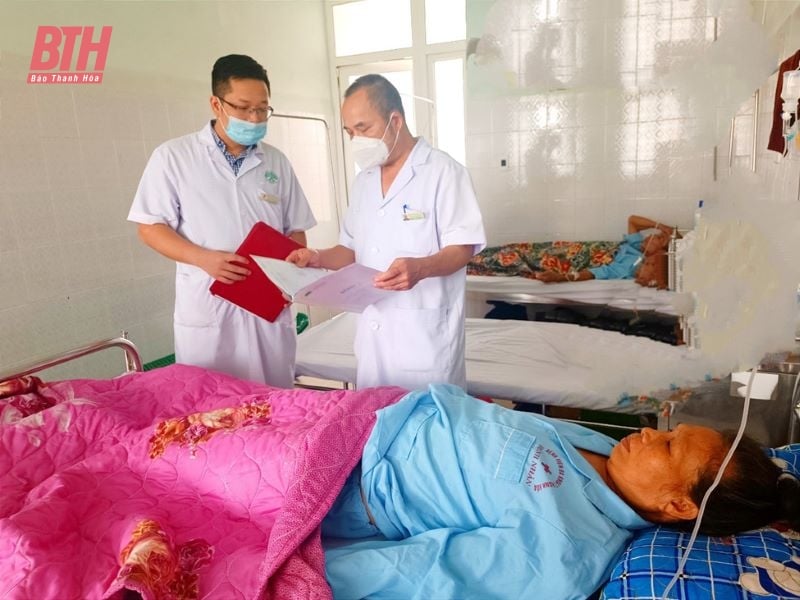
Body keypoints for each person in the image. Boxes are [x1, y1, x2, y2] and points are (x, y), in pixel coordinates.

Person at [322, 384, 798, 599]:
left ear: (677, 504)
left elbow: (428, 573)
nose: (651, 432)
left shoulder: (566, 550)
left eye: (669, 445)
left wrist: (299, 578)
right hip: (365, 417)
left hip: (342, 481)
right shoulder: (608, 454)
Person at [286, 74, 486, 391]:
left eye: (363, 129)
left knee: (426, 431)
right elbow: (350, 250)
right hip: (374, 339)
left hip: (424, 340)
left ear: (396, 120)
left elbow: (462, 248)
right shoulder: (364, 181)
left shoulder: (443, 172)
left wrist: (420, 268)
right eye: (350, 132)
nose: (356, 140)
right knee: (376, 423)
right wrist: (316, 257)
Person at [128, 54, 316, 387]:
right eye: (244, 108)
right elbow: (150, 227)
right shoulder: (174, 157)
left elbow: (295, 230)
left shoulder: (275, 161)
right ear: (216, 104)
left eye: (262, 109)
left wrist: (291, 276)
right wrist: (203, 259)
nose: (254, 117)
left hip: (267, 308)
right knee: (212, 411)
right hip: (209, 307)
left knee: (274, 408)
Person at [534, 215, 675, 287]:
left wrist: (559, 277)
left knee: (534, 257)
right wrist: (660, 226)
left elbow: (590, 274)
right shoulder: (638, 246)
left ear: (660, 251)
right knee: (539, 248)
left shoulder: (628, 269)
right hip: (584, 247)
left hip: (582, 257)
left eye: (656, 237)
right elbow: (632, 220)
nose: (650, 235)